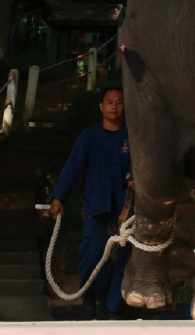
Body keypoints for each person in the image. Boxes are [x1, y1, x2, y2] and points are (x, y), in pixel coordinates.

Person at [49, 86, 134, 319]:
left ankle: (112, 305)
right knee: (92, 251)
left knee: (123, 257)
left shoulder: (133, 136)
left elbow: (144, 169)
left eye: (119, 102)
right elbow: (71, 168)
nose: (114, 106)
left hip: (126, 209)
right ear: (101, 107)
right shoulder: (89, 137)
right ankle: (89, 296)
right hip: (96, 206)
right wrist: (58, 197)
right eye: (110, 102)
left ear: (124, 106)